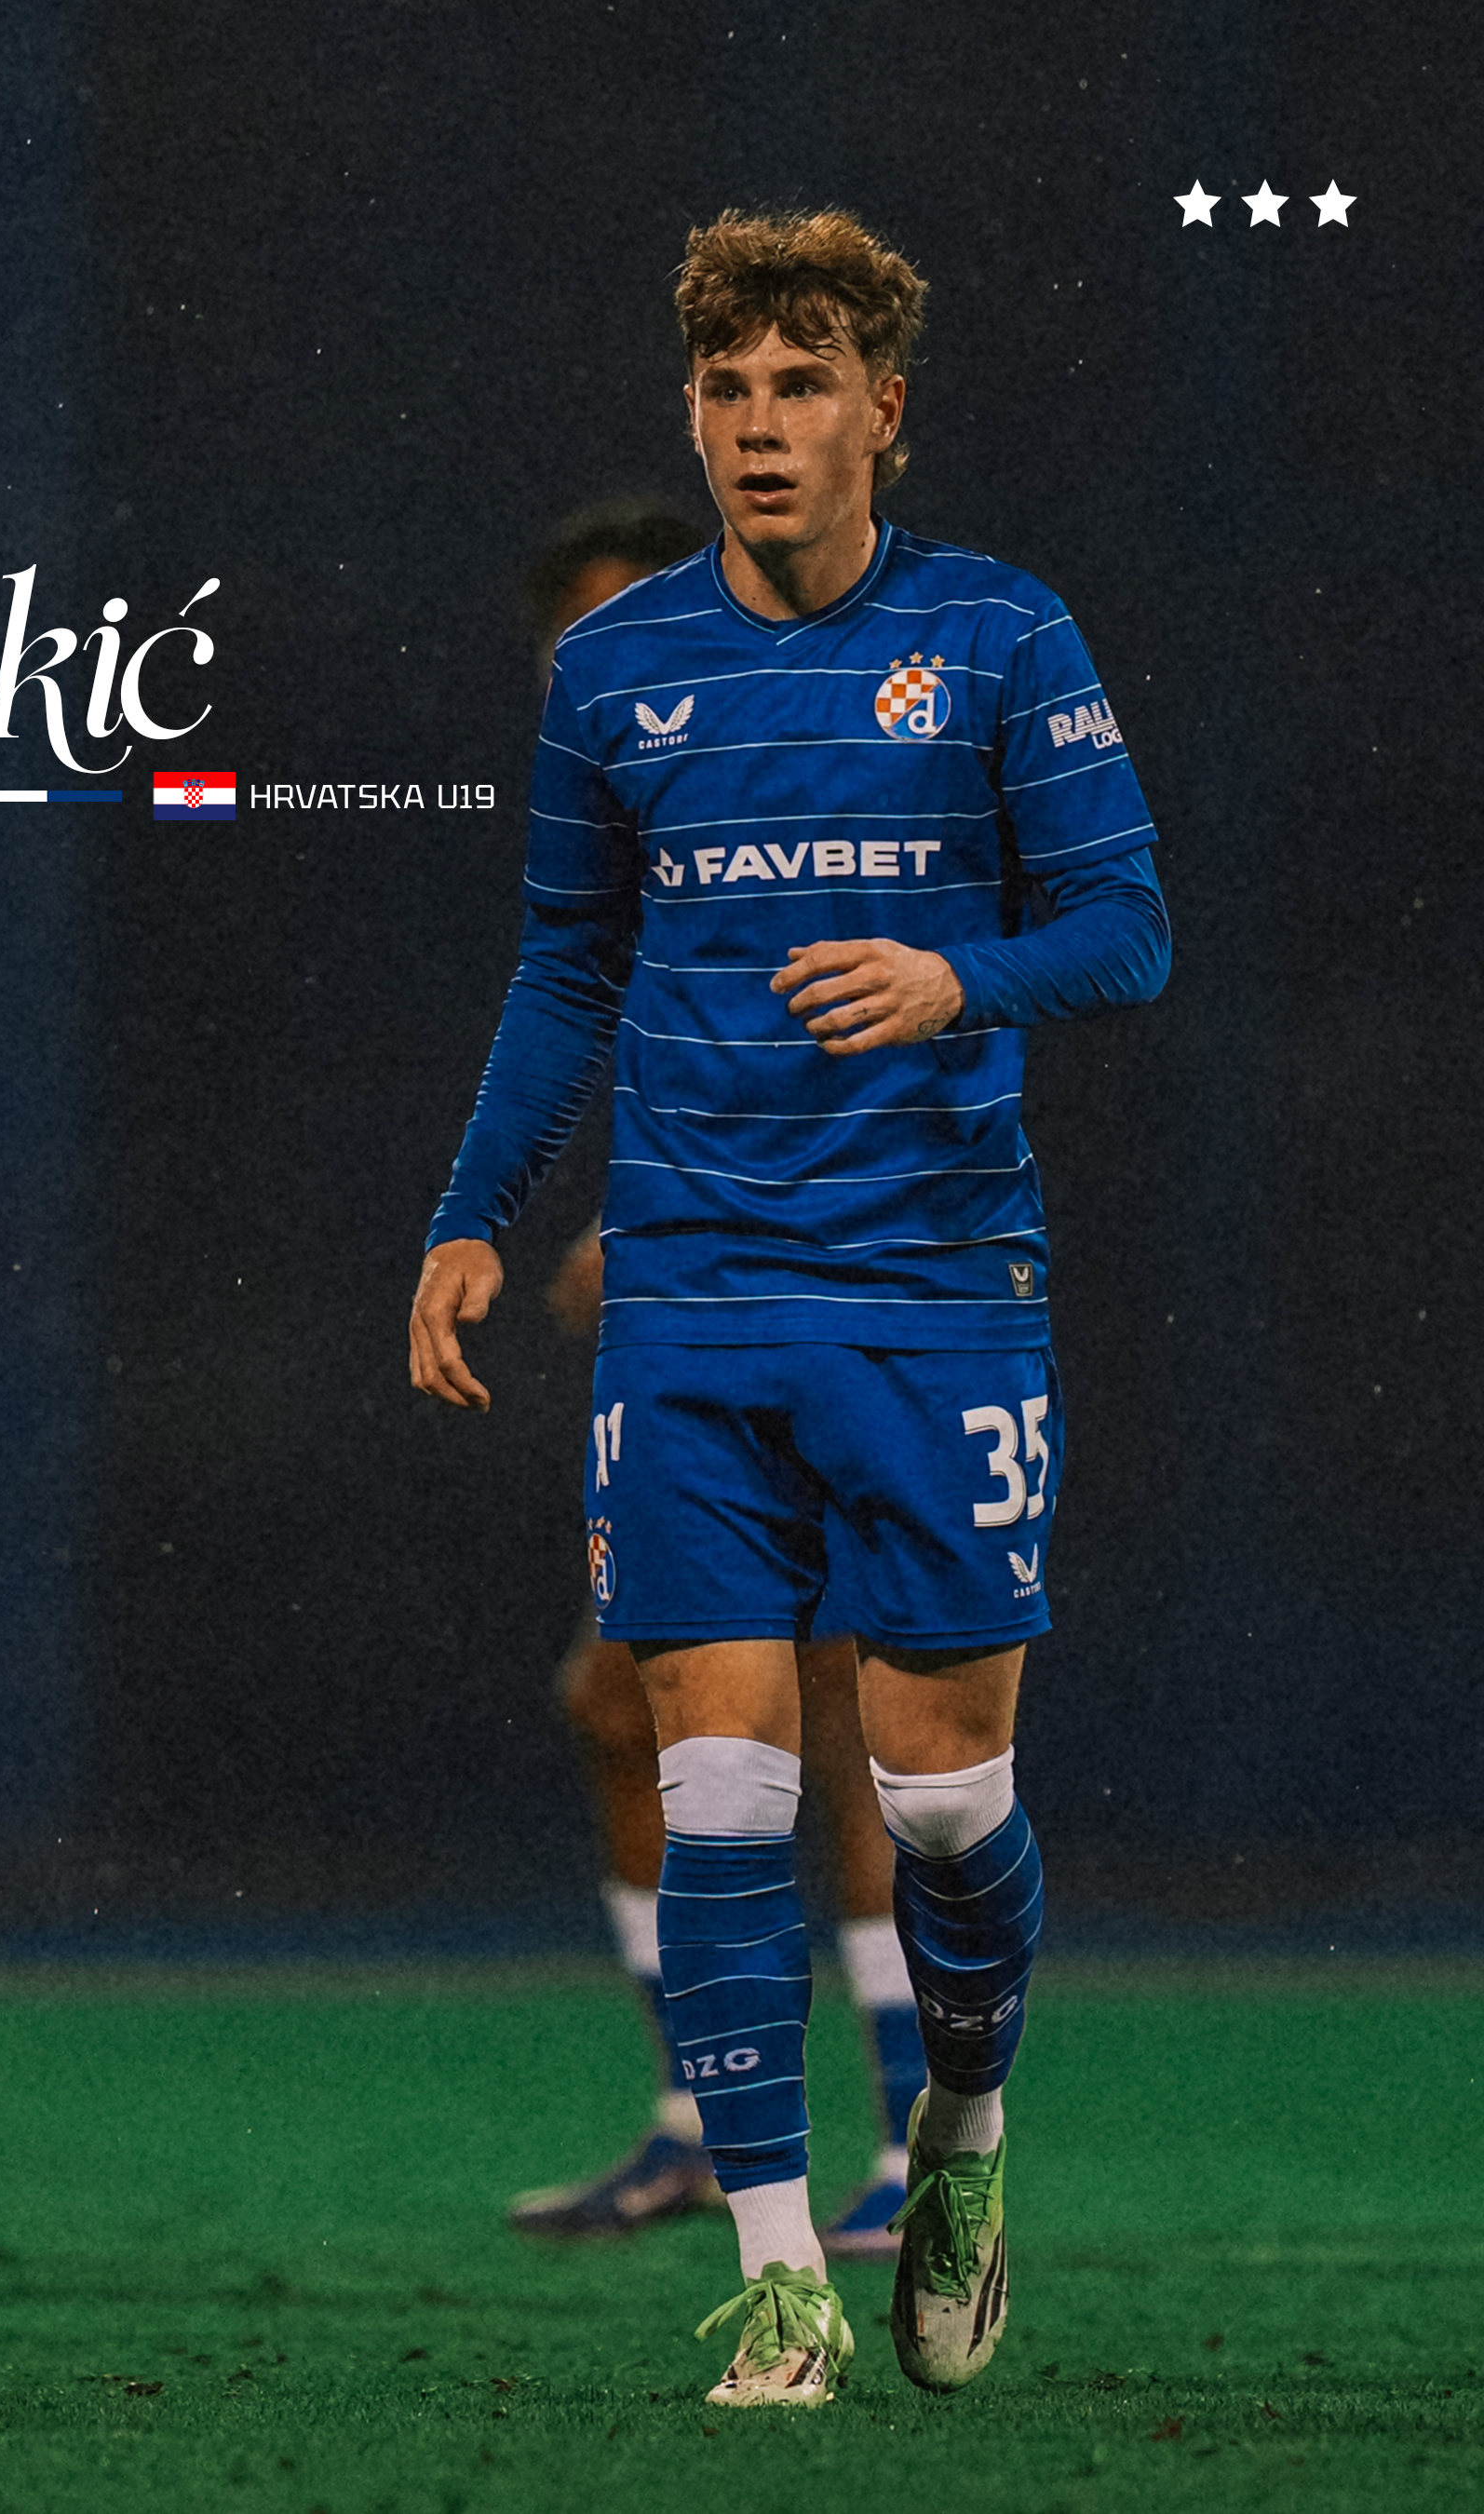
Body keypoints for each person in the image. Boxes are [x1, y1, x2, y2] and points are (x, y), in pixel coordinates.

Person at [411, 208, 1168, 2407]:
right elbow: (569, 966)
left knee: (939, 1807)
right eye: (727, 387)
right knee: (723, 1786)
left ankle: (967, 2138)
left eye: (802, 383)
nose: (759, 422)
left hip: (933, 1294)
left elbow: (1125, 930)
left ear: (880, 412)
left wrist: (957, 975)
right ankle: (776, 2280)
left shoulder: (1001, 635)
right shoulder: (616, 671)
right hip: (696, 1299)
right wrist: (473, 1212)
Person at [509, 506, 930, 2254]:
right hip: (707, 1313)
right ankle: (700, 2116)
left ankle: (920, 2141)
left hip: (838, 1296)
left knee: (846, 1718)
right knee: (624, 1707)